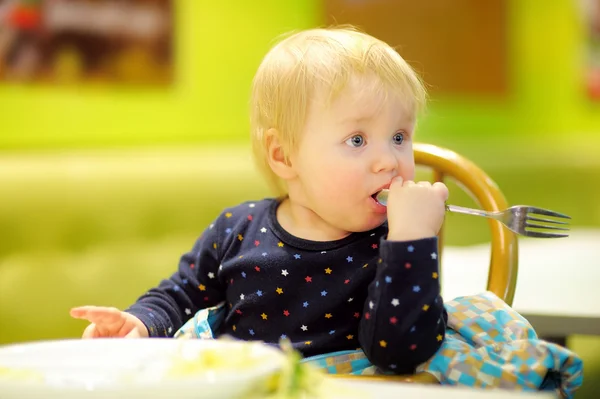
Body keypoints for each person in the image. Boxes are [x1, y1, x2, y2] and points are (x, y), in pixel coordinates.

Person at [70, 26, 449, 374]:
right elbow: (179, 294)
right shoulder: (239, 228)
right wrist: (139, 323)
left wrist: (411, 241)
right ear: (284, 156)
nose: (390, 161)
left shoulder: (394, 244)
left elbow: (399, 354)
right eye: (357, 140)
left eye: (400, 137)